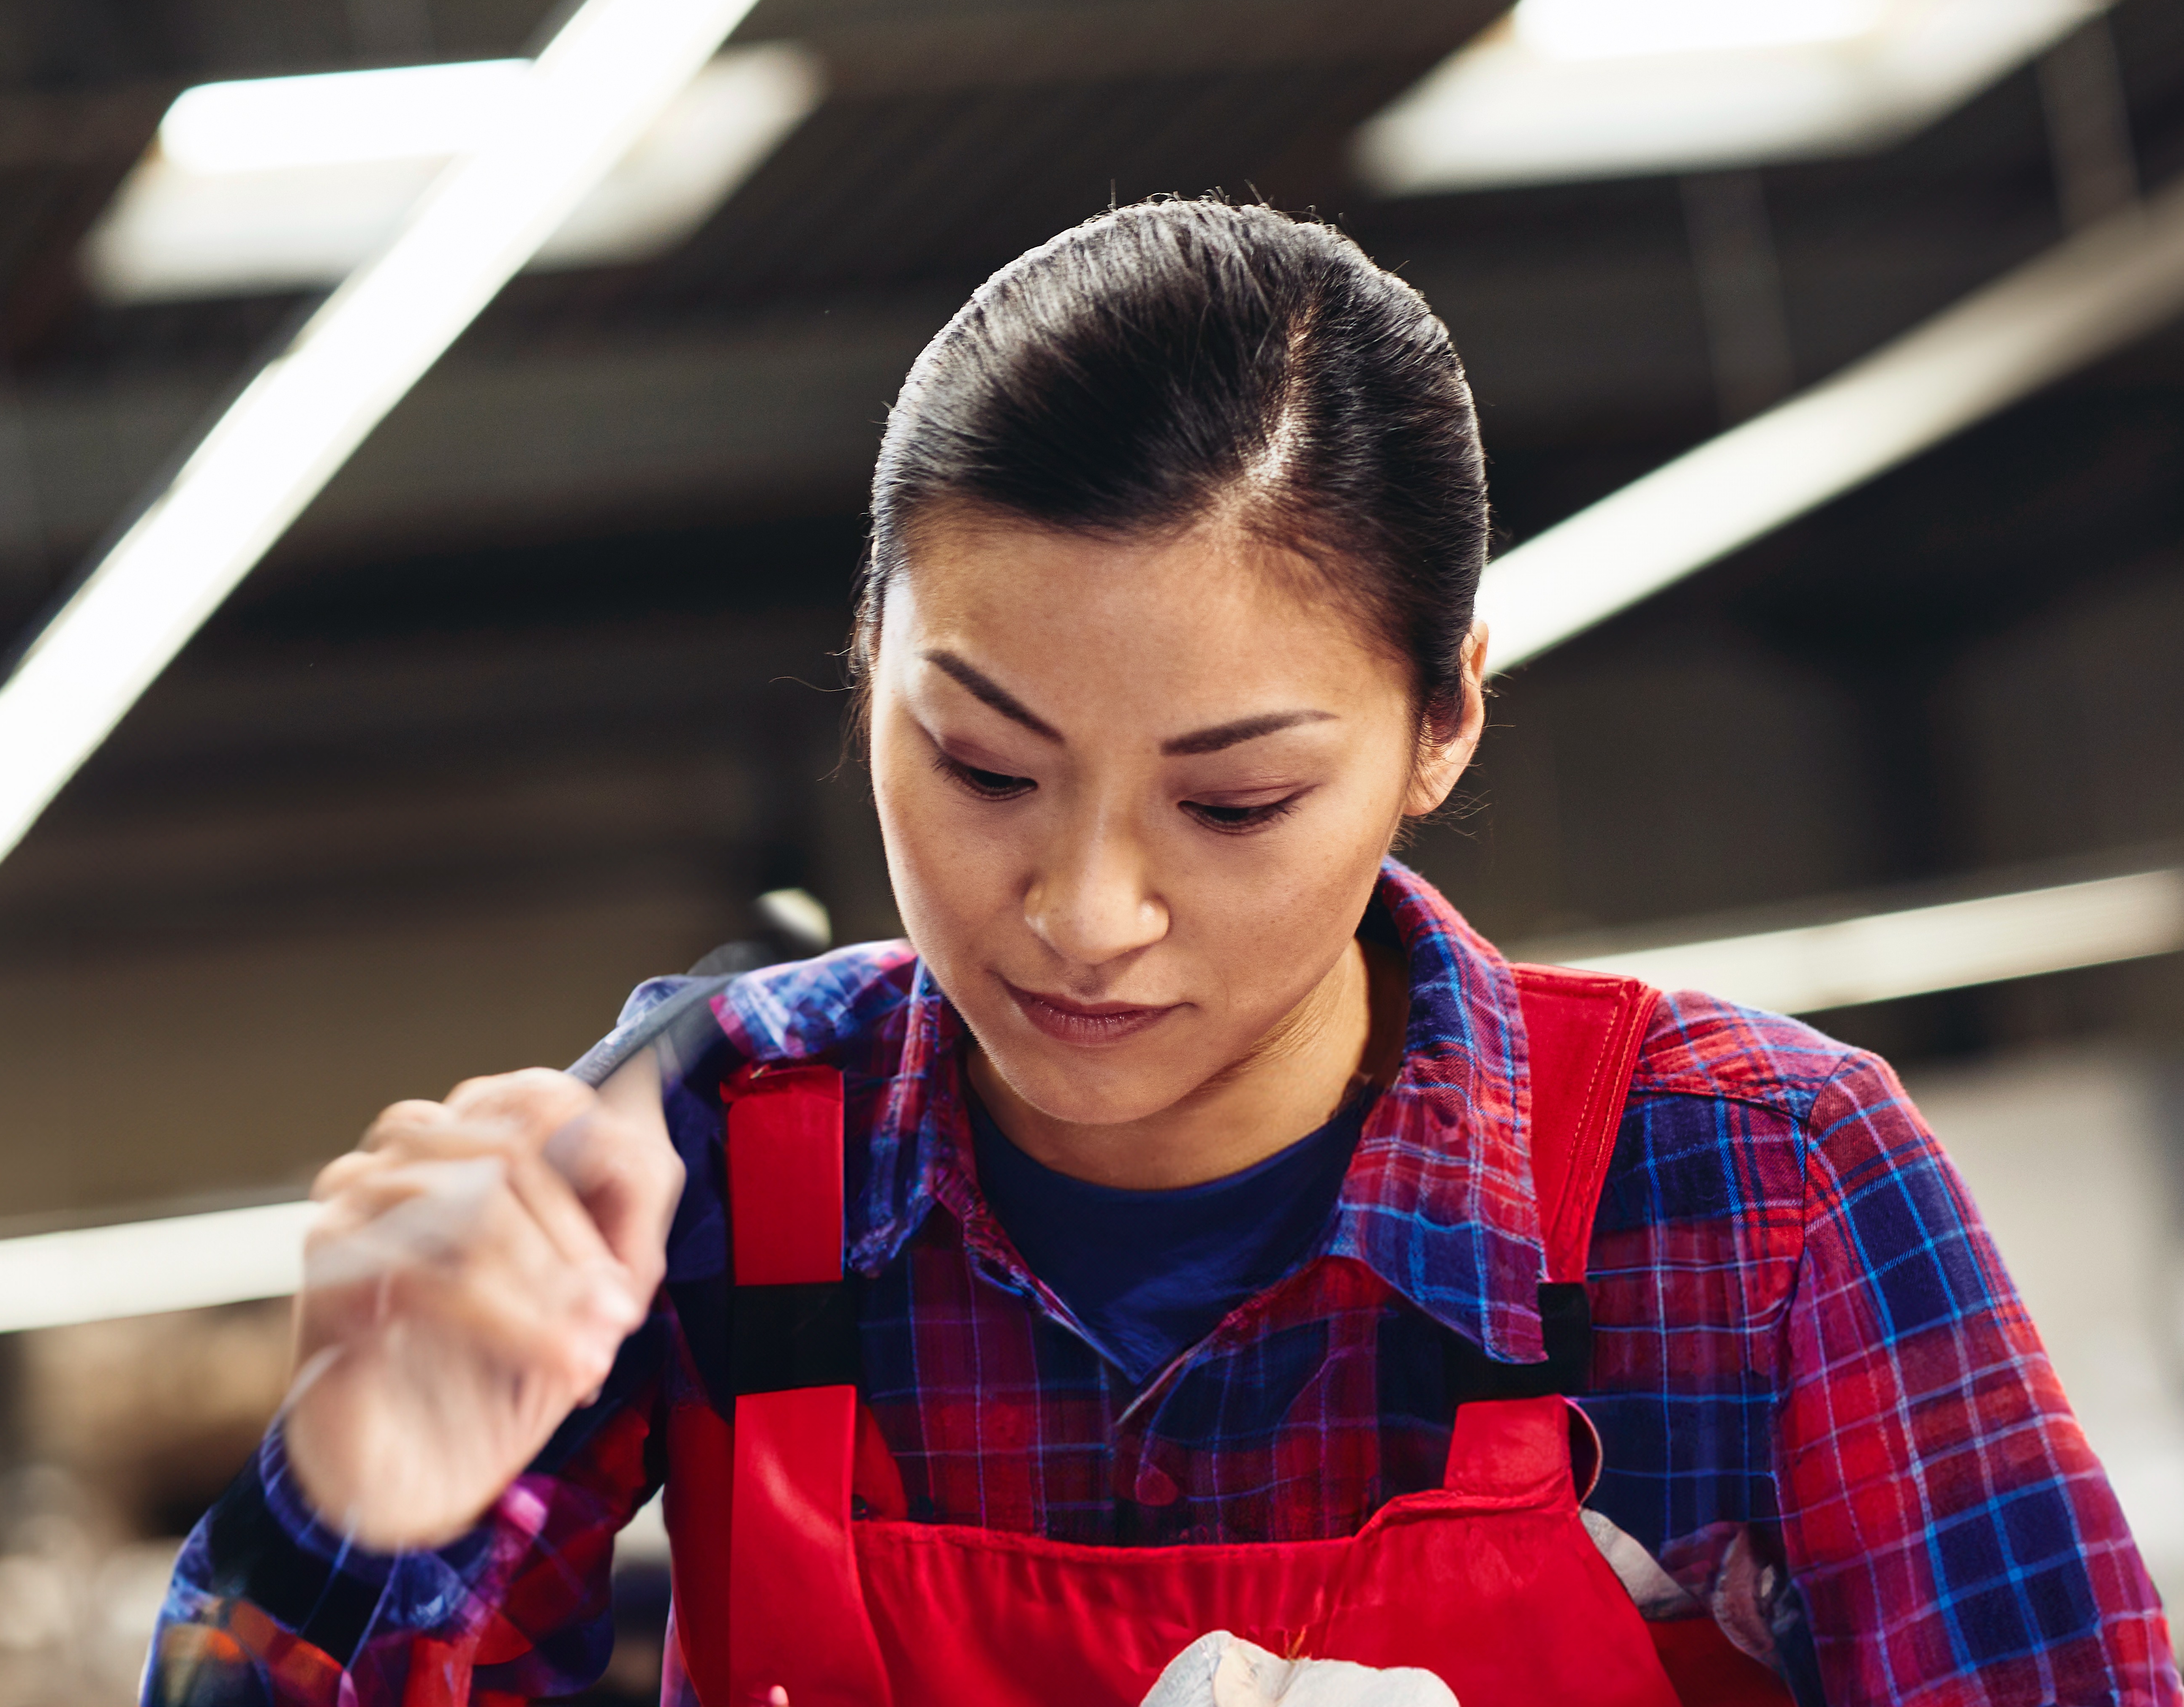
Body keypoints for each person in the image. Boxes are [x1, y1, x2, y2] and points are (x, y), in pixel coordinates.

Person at [144, 201, 2178, 1707]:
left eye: (1232, 804)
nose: (1083, 913)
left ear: (1445, 719)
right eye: (981, 764)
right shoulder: (710, 1170)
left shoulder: (1751, 1193)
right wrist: (349, 1503)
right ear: (871, 668)